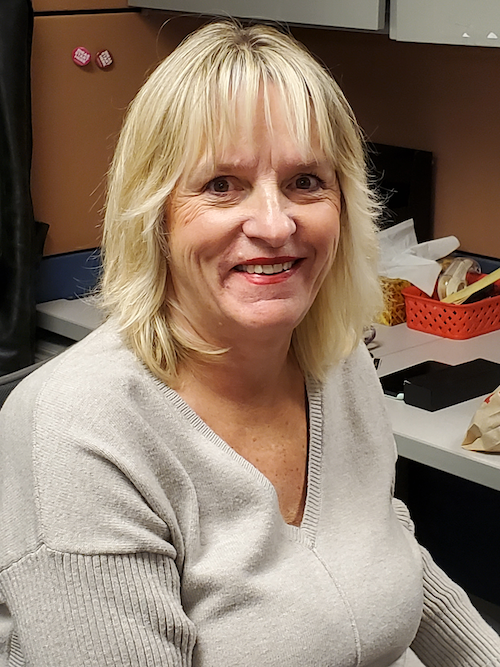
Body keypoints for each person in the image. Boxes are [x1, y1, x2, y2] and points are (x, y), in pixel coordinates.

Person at [0, 20, 499, 667]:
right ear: (154, 214)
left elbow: (389, 555)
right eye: (221, 185)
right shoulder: (78, 433)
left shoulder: (336, 360)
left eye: (305, 182)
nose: (273, 223)